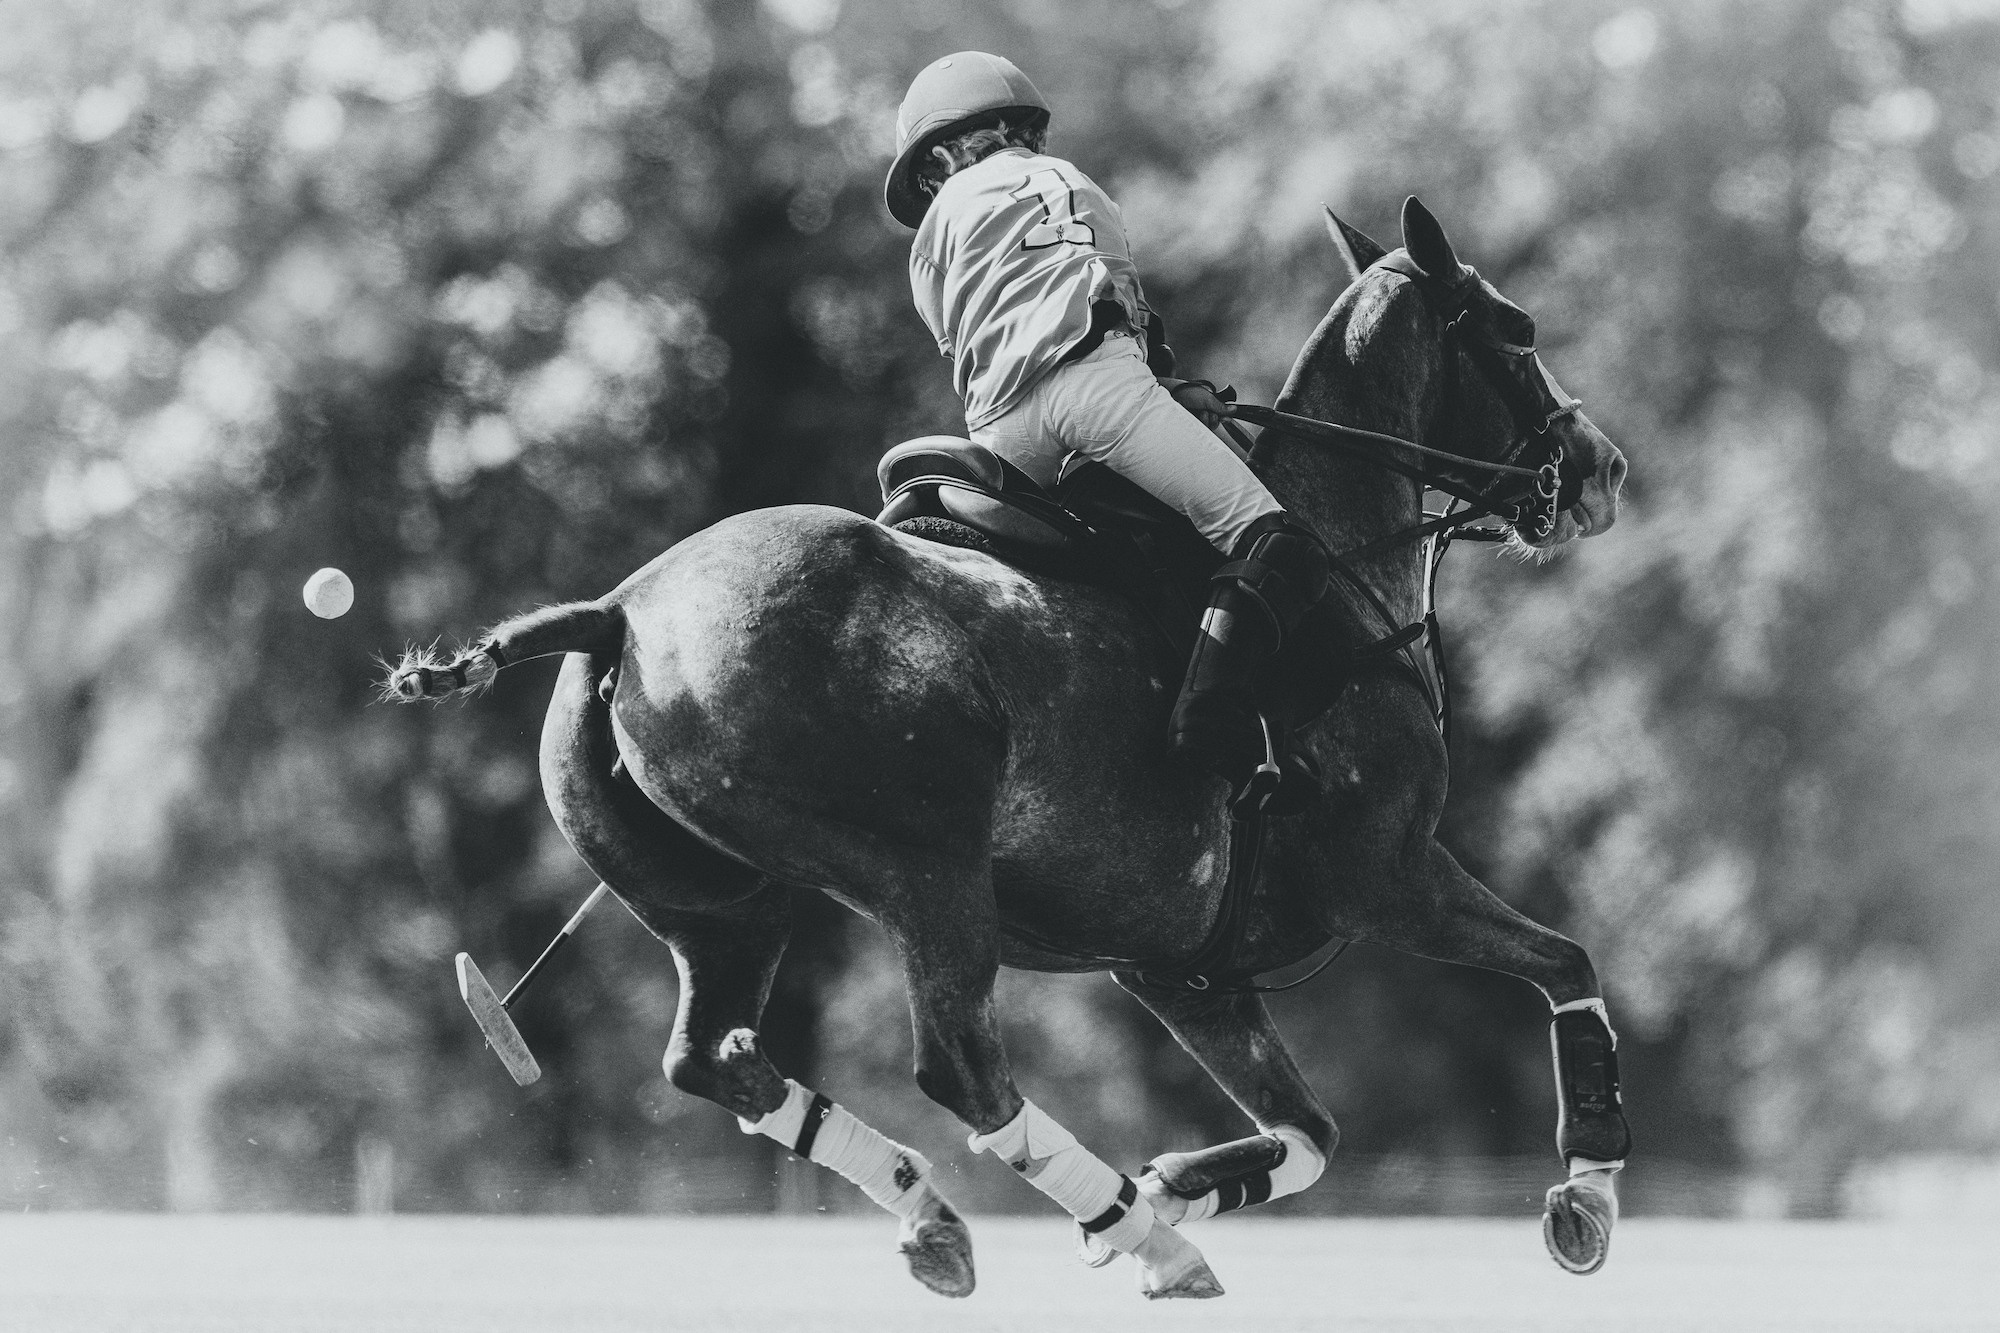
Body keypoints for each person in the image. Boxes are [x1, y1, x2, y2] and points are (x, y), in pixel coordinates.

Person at [885, 51, 1331, 782]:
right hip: (1101, 393)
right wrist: (1169, 386)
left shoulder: (931, 235)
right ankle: (1215, 726)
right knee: (1277, 540)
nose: (932, 185)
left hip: (997, 435)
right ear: (1018, 126)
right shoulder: (1073, 182)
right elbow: (1120, 305)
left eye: (929, 173)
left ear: (944, 150)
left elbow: (960, 337)